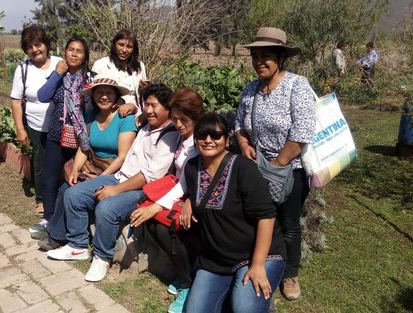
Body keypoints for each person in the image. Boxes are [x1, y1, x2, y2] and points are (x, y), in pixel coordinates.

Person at [46, 84, 180, 284]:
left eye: (154, 106)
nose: (149, 110)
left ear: (168, 108)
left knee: (107, 208)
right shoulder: (145, 125)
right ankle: (78, 245)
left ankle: (102, 256)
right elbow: (132, 112)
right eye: (147, 105)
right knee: (74, 193)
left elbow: (149, 176)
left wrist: (114, 190)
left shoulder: (170, 135)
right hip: (120, 176)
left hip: (143, 190)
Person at [234, 27, 316, 301]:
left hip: (288, 170)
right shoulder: (250, 89)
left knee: (288, 221)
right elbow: (238, 124)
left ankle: (290, 274)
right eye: (255, 56)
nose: (259, 61)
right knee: (261, 217)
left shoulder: (297, 85)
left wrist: (277, 164)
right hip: (257, 167)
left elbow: (302, 132)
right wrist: (244, 144)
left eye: (265, 56)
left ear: (280, 58)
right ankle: (263, 260)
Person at [179, 113, 286, 312]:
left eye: (215, 135)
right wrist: (188, 200)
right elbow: (196, 193)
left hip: (254, 256)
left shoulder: (243, 168)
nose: (208, 140)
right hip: (215, 259)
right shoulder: (192, 168)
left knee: (244, 309)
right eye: (202, 135)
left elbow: (266, 216)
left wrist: (258, 265)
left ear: (227, 140)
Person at [36, 76, 137, 250]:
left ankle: (58, 236)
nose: (104, 97)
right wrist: (75, 169)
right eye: (99, 93)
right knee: (66, 187)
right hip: (94, 165)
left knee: (75, 192)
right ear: (94, 96)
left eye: (108, 93)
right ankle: (57, 232)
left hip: (115, 172)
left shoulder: (124, 119)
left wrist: (100, 180)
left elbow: (122, 157)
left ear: (116, 96)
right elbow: (84, 147)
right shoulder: (90, 115)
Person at [129, 88, 204, 313]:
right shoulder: (183, 136)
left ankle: (188, 284)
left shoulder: (199, 142)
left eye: (184, 119)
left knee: (166, 228)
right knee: (151, 222)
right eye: (175, 119)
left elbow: (190, 181)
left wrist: (157, 206)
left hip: (197, 197)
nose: (178, 124)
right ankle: (184, 277)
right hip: (182, 192)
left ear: (196, 116)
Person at [29, 37, 95, 238]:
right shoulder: (58, 76)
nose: (74, 54)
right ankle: (48, 219)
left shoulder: (90, 79)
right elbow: (43, 96)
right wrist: (57, 74)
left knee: (74, 181)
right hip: (57, 136)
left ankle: (68, 222)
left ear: (85, 56)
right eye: (71, 50)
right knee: (49, 180)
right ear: (64, 52)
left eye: (79, 51)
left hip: (81, 141)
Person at [10, 24, 62, 215]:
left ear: (46, 45)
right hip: (36, 125)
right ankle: (42, 199)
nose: (35, 50)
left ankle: (61, 195)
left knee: (62, 162)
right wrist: (20, 129)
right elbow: (16, 102)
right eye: (30, 47)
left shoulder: (60, 63)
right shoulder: (22, 70)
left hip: (61, 125)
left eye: (38, 44)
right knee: (41, 163)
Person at [92, 29, 149, 121]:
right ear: (114, 45)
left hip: (136, 114)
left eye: (129, 47)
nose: (124, 50)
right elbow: (93, 93)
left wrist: (144, 89)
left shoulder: (140, 66)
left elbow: (141, 96)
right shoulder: (100, 65)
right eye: (121, 45)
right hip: (109, 114)